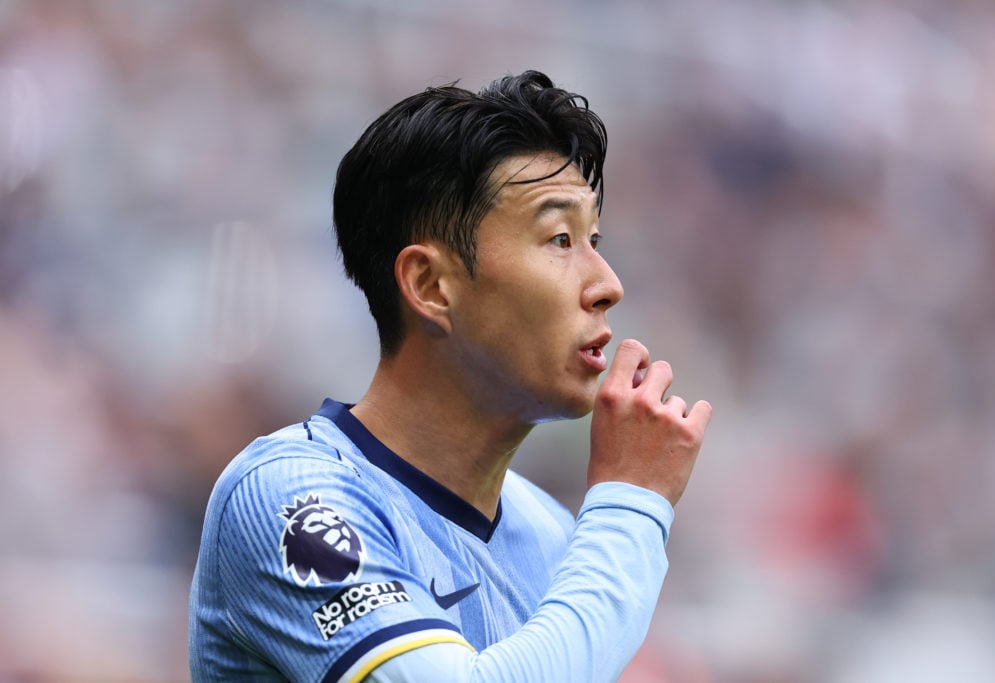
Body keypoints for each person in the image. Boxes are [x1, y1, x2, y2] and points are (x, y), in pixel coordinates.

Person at [188, 70, 712, 683]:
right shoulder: (288, 497)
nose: (607, 285)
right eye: (561, 238)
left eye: (594, 239)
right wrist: (631, 503)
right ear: (430, 285)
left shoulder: (554, 536)